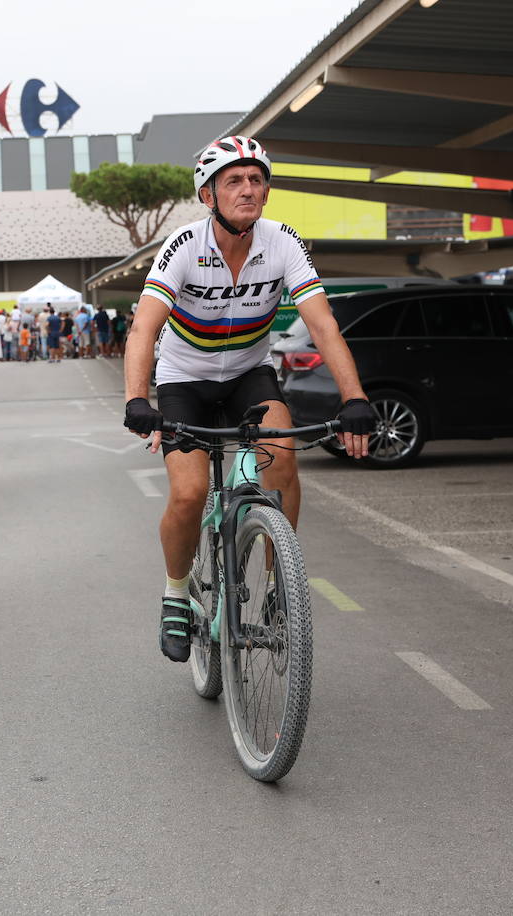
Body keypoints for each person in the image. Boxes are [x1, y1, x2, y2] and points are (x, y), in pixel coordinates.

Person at [122, 135, 376, 663]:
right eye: (234, 180)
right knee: (190, 493)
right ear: (208, 195)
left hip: (248, 374)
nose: (248, 189)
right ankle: (174, 591)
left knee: (281, 457)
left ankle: (279, 585)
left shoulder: (283, 242)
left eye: (257, 179)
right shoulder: (184, 246)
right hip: (183, 378)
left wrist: (354, 399)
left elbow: (323, 324)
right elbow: (144, 328)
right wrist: (137, 400)